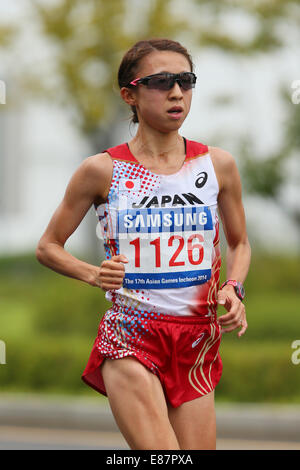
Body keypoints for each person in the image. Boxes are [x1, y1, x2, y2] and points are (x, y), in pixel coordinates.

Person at [36, 38, 251, 450]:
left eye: (186, 81)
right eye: (161, 81)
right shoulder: (102, 170)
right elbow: (48, 247)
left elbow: (240, 244)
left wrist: (233, 287)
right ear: (129, 95)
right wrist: (94, 273)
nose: (176, 92)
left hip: (196, 339)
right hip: (131, 335)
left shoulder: (217, 164)